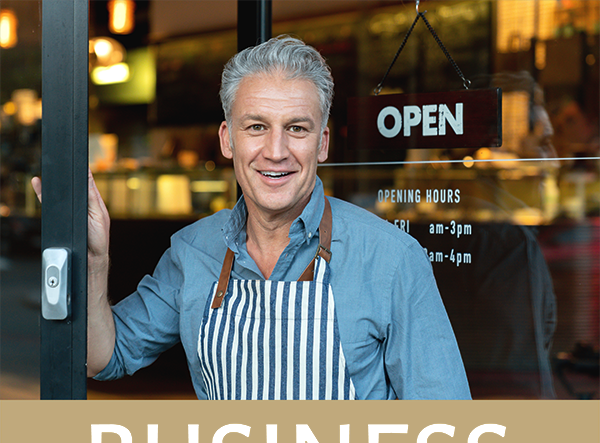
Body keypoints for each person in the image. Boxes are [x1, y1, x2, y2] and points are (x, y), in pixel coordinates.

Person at [35, 35, 470, 400]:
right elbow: (103, 356)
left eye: (296, 128)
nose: (276, 151)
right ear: (228, 140)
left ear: (322, 144)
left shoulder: (391, 258)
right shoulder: (193, 250)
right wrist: (95, 261)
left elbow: (446, 431)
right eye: (256, 127)